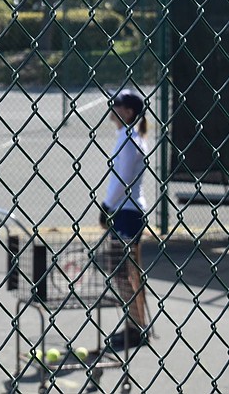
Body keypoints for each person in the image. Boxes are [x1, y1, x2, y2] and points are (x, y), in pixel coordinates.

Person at [99, 88, 150, 347]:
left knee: (120, 271)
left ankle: (136, 327)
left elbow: (123, 178)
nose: (112, 107)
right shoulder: (129, 136)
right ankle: (137, 324)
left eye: (117, 104)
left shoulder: (129, 139)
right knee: (125, 271)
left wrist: (107, 205)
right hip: (127, 211)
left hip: (127, 212)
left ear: (128, 112)